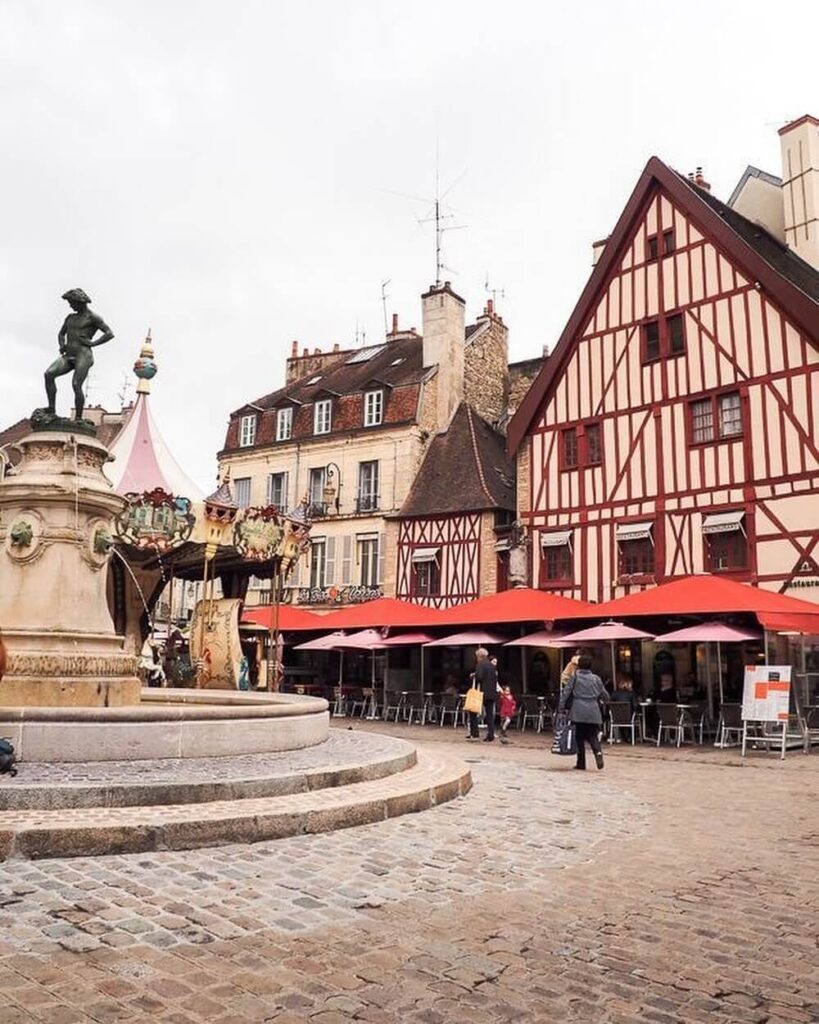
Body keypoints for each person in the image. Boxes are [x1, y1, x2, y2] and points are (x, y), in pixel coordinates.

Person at [559, 654, 609, 770]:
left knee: (579, 737)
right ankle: (598, 753)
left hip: (578, 710)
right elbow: (605, 695)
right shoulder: (596, 678)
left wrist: (561, 707)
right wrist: (602, 702)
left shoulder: (575, 677)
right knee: (592, 735)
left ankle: (581, 763)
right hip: (593, 710)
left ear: (579, 665)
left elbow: (566, 693)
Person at [467, 647, 497, 742]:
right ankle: (490, 735)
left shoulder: (480, 664)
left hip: (482, 693)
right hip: (491, 692)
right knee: (489, 715)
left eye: (476, 656)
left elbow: (479, 677)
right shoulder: (492, 665)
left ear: (479, 656)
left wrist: (474, 675)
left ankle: (474, 733)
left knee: (473, 711)